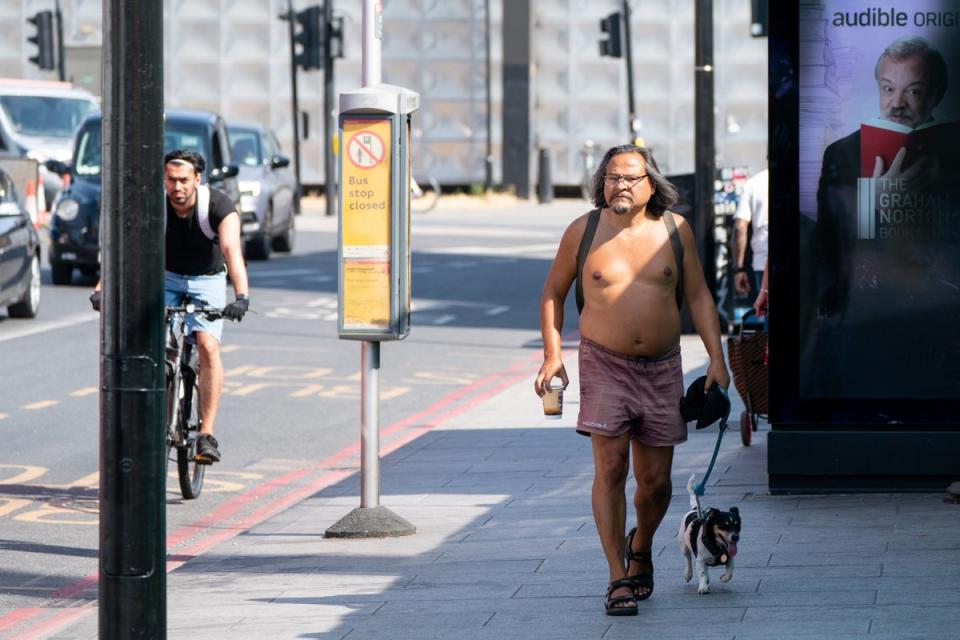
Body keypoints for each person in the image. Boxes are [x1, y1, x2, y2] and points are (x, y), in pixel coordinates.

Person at [535, 144, 729, 615]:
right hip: (603, 364)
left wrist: (716, 360)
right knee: (611, 470)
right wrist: (552, 355)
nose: (620, 185)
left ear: (651, 184)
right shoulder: (582, 232)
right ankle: (617, 578)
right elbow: (552, 294)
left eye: (630, 178)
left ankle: (639, 546)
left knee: (656, 483)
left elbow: (699, 295)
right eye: (612, 177)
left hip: (663, 366)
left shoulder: (674, 230)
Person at [811, 36, 960, 398]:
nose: (897, 103)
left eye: (914, 91)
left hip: (943, 316)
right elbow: (830, 245)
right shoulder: (843, 154)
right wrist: (873, 202)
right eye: (888, 88)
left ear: (937, 94)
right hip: (870, 313)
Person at [90, 149, 250, 464]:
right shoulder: (154, 204)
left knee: (207, 346)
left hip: (207, 280)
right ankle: (154, 411)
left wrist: (242, 297)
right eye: (171, 180)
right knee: (153, 342)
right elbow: (124, 249)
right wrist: (101, 288)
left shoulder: (218, 207)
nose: (177, 187)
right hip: (165, 277)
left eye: (184, 180)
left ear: (197, 179)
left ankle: (206, 434)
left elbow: (232, 251)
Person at [732, 168, 768, 299]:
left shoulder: (754, 183)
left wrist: (739, 268)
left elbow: (740, 227)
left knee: (768, 311)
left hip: (763, 261)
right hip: (802, 258)